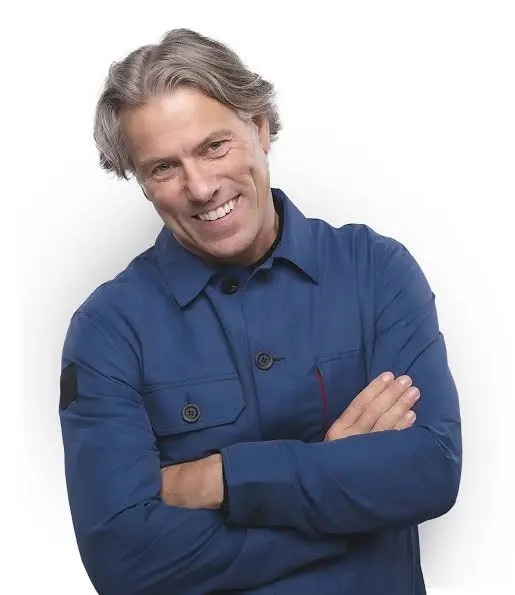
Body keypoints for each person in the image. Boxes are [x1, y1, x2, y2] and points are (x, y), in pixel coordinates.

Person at [58, 28, 462, 595]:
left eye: (214, 146)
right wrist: (350, 499)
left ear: (261, 127)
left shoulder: (375, 269)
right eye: (164, 168)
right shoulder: (106, 331)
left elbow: (431, 470)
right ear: (143, 183)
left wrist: (225, 477)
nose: (201, 186)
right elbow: (123, 562)